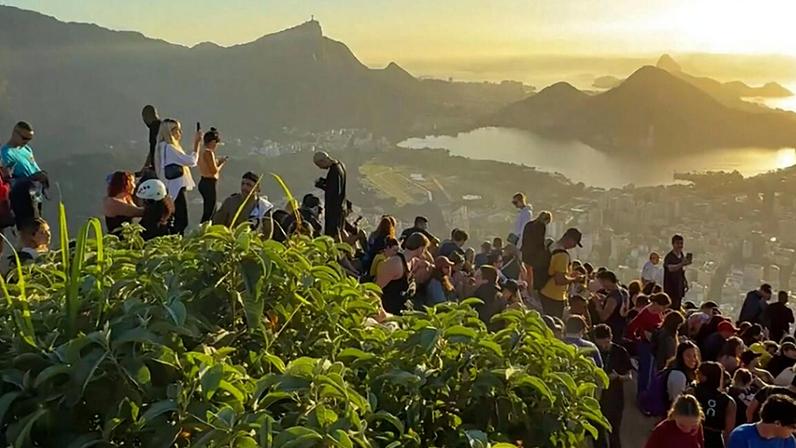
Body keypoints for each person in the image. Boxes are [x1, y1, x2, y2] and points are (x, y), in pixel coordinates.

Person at [154, 119, 200, 235]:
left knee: (174, 218)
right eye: (177, 130)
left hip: (169, 187)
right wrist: (197, 143)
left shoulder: (161, 148)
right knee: (181, 220)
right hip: (177, 187)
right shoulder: (170, 148)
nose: (180, 133)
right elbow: (191, 161)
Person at [1, 121, 50, 226]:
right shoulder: (6, 153)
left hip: (35, 194)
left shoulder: (27, 149)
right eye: (24, 138)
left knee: (38, 227)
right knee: (28, 229)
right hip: (23, 197)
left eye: (29, 139)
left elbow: (34, 167)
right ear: (15, 133)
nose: (26, 142)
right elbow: (9, 179)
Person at [593, 324, 632, 448]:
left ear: (611, 337)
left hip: (615, 397)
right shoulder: (593, 351)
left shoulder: (620, 352)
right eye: (601, 344)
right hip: (598, 396)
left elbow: (629, 376)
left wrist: (618, 377)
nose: (604, 346)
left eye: (606, 342)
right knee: (598, 431)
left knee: (614, 431)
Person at [376, 232, 427, 315]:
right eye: (424, 249)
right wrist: (382, 313)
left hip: (402, 309)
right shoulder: (396, 263)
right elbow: (375, 289)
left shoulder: (412, 262)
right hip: (388, 311)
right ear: (420, 248)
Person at [539, 228, 584, 319]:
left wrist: (570, 275)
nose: (574, 246)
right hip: (554, 296)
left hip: (543, 288)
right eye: (575, 243)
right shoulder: (563, 255)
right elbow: (559, 280)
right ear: (570, 239)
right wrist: (575, 279)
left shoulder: (551, 246)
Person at [693, 361, 736, 448]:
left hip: (694, 436)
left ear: (704, 376)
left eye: (698, 373)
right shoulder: (728, 401)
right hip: (716, 440)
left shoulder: (693, 391)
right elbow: (728, 431)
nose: (696, 375)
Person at [730, 395, 796, 448]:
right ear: (777, 423)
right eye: (793, 427)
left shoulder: (789, 440)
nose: (794, 431)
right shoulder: (741, 435)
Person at [313, 151, 346, 241]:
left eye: (319, 165)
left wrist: (321, 185)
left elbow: (333, 192)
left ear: (323, 161)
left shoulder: (334, 171)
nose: (320, 168)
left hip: (334, 209)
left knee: (334, 234)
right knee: (340, 230)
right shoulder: (340, 166)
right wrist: (325, 182)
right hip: (341, 206)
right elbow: (335, 185)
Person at [197, 127, 227, 223]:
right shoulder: (208, 152)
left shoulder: (201, 150)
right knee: (209, 212)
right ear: (213, 142)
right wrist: (222, 164)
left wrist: (218, 161)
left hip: (203, 181)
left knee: (209, 210)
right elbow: (214, 171)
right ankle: (204, 231)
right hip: (209, 183)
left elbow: (209, 166)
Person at [103, 171, 144, 236]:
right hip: (117, 240)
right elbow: (139, 212)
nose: (134, 186)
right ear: (126, 184)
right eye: (133, 182)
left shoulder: (127, 198)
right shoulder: (113, 202)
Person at [592, 270, 628, 343]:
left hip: (612, 330)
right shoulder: (624, 292)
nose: (602, 285)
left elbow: (604, 317)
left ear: (607, 281)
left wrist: (597, 303)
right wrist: (605, 299)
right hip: (621, 327)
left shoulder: (613, 297)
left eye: (602, 282)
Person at [520, 211, 552, 288]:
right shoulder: (541, 226)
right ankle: (530, 289)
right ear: (547, 220)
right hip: (534, 253)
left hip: (525, 250)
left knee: (525, 271)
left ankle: (525, 287)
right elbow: (540, 241)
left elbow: (524, 238)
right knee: (531, 273)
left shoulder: (529, 224)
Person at [667, 341, 701, 405]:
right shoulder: (678, 375)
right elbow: (677, 402)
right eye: (688, 356)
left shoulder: (689, 373)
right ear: (680, 357)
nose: (692, 359)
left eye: (694, 356)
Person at [663, 234, 691, 311]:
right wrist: (681, 264)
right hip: (671, 287)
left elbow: (681, 270)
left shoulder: (681, 255)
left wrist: (685, 282)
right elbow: (670, 268)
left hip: (679, 287)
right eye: (677, 243)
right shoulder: (669, 257)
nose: (680, 245)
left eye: (681, 243)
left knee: (677, 307)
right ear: (673, 244)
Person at [141, 105, 161, 175]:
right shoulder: (162, 126)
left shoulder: (154, 127)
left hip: (159, 167)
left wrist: (146, 166)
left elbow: (155, 148)